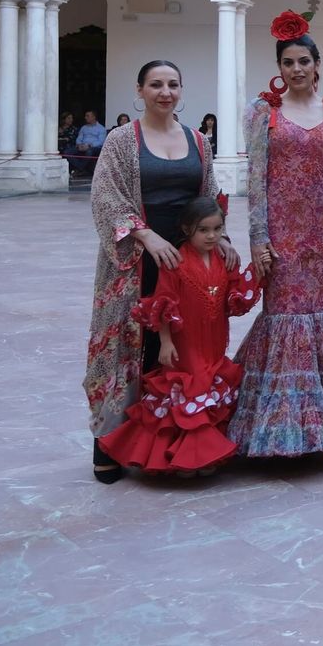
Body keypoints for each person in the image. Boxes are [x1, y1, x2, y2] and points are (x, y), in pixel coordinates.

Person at [85, 60, 239, 484]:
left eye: (173, 84)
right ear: (140, 90)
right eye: (156, 84)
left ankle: (167, 447)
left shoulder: (198, 140)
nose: (165, 92)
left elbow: (208, 195)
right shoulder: (121, 140)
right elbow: (105, 196)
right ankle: (109, 444)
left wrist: (220, 238)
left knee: (176, 351)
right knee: (126, 348)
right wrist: (146, 235)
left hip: (186, 262)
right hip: (133, 262)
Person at [232, 13, 323, 458]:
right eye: (288, 62)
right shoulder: (263, 111)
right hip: (278, 229)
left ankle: (319, 420)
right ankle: (275, 421)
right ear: (279, 67)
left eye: (304, 61)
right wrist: (258, 237)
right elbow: (256, 178)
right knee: (281, 313)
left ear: (317, 65)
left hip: (317, 230)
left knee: (314, 309)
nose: (296, 69)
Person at [99, 197, 261, 475]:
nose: (211, 236)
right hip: (185, 343)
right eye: (203, 230)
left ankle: (207, 453)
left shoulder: (225, 259)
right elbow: (164, 302)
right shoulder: (175, 262)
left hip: (213, 341)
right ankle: (185, 455)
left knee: (209, 384)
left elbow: (235, 298)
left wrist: (258, 271)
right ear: (187, 229)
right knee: (190, 388)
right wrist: (166, 342)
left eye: (217, 229)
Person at [72, 110, 108, 177]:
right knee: (67, 152)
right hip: (82, 146)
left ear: (93, 117)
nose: (85, 118)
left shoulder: (101, 128)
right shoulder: (84, 128)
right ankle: (82, 169)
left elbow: (101, 141)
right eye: (86, 116)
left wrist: (89, 145)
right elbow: (79, 138)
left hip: (94, 147)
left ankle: (80, 169)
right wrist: (79, 144)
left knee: (89, 151)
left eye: (87, 116)